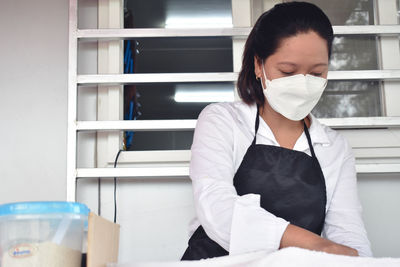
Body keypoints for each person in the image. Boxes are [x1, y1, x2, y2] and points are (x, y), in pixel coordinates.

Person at [180, 1, 372, 261]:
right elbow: (218, 208)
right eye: (288, 71)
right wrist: (317, 245)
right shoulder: (223, 121)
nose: (303, 84)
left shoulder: (334, 147)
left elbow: (348, 236)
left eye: (317, 73)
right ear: (259, 65)